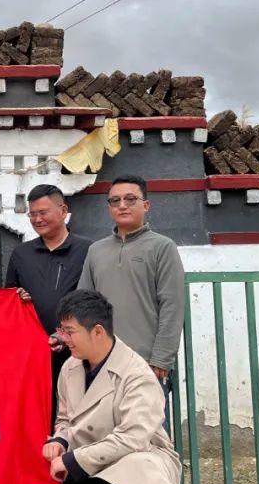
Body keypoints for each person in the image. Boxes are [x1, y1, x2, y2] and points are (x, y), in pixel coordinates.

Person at [12, 290, 181, 484]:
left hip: (138, 458)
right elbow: (65, 418)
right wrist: (60, 440)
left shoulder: (136, 374)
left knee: (139, 469)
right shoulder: (70, 368)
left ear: (98, 331)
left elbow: (133, 438)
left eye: (70, 331)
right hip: (92, 464)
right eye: (62, 330)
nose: (63, 338)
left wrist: (73, 460)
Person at [77, 175, 185, 416]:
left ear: (145, 205)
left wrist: (162, 357)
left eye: (130, 199)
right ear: (109, 208)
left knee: (146, 430)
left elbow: (172, 305)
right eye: (115, 201)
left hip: (144, 361)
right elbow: (83, 304)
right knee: (102, 430)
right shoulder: (96, 251)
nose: (122, 205)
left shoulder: (162, 247)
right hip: (101, 360)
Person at [6, 184, 92, 423]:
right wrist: (19, 296)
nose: (37, 219)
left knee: (78, 414)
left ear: (63, 211)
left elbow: (96, 299)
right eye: (32, 214)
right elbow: (10, 299)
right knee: (38, 415)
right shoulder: (21, 254)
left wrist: (66, 334)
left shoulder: (88, 250)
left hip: (79, 350)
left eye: (43, 212)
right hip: (35, 353)